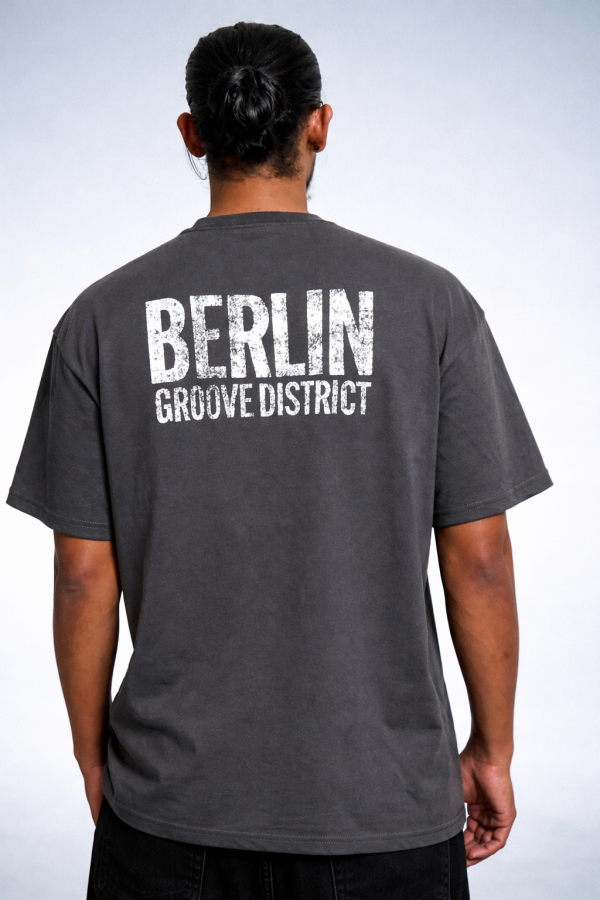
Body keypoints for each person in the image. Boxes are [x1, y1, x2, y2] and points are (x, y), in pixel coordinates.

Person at [7, 21, 552, 900]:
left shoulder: (100, 320)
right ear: (320, 125)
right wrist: (493, 749)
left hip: (172, 804)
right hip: (381, 803)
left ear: (192, 134)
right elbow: (479, 559)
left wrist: (92, 754)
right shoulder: (430, 305)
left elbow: (81, 574)